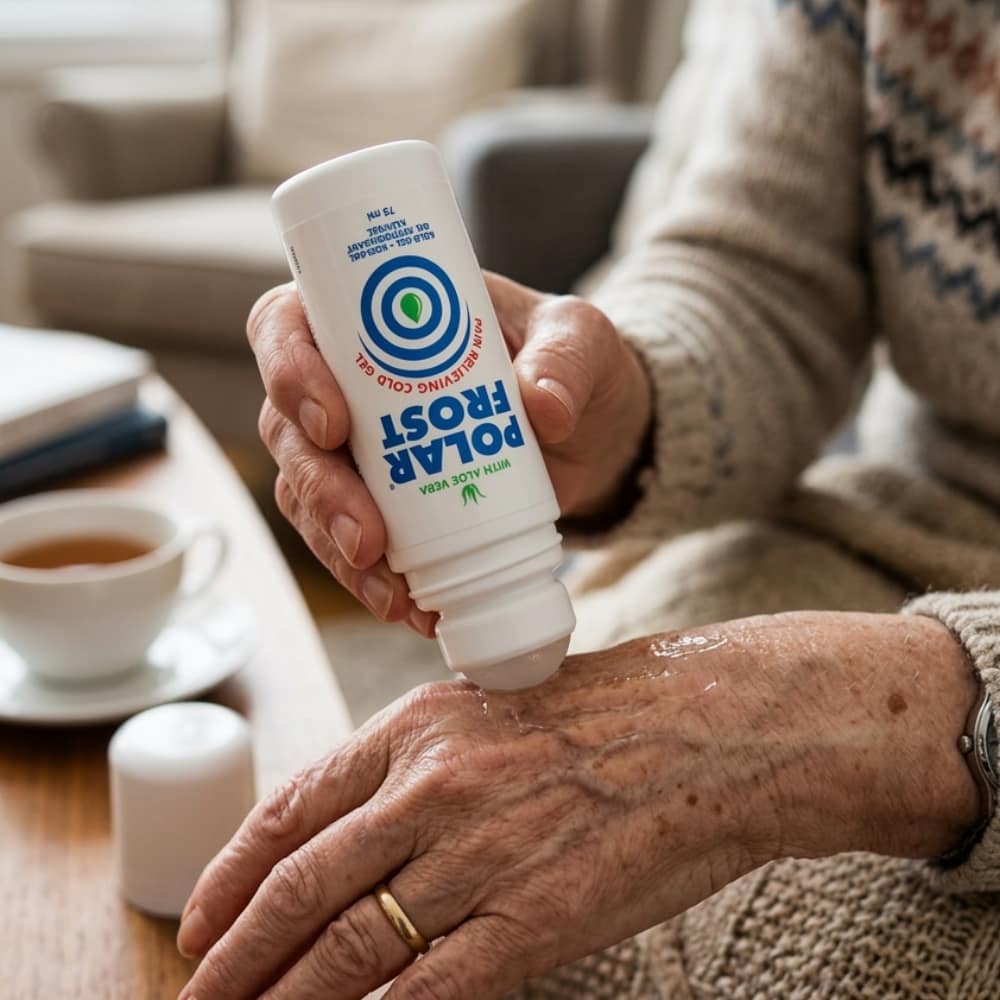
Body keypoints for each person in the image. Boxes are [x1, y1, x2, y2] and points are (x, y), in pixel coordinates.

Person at [176, 1, 1000, 997]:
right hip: (900, 519)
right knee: (473, 857)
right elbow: (762, 272)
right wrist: (622, 405)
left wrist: (794, 720)